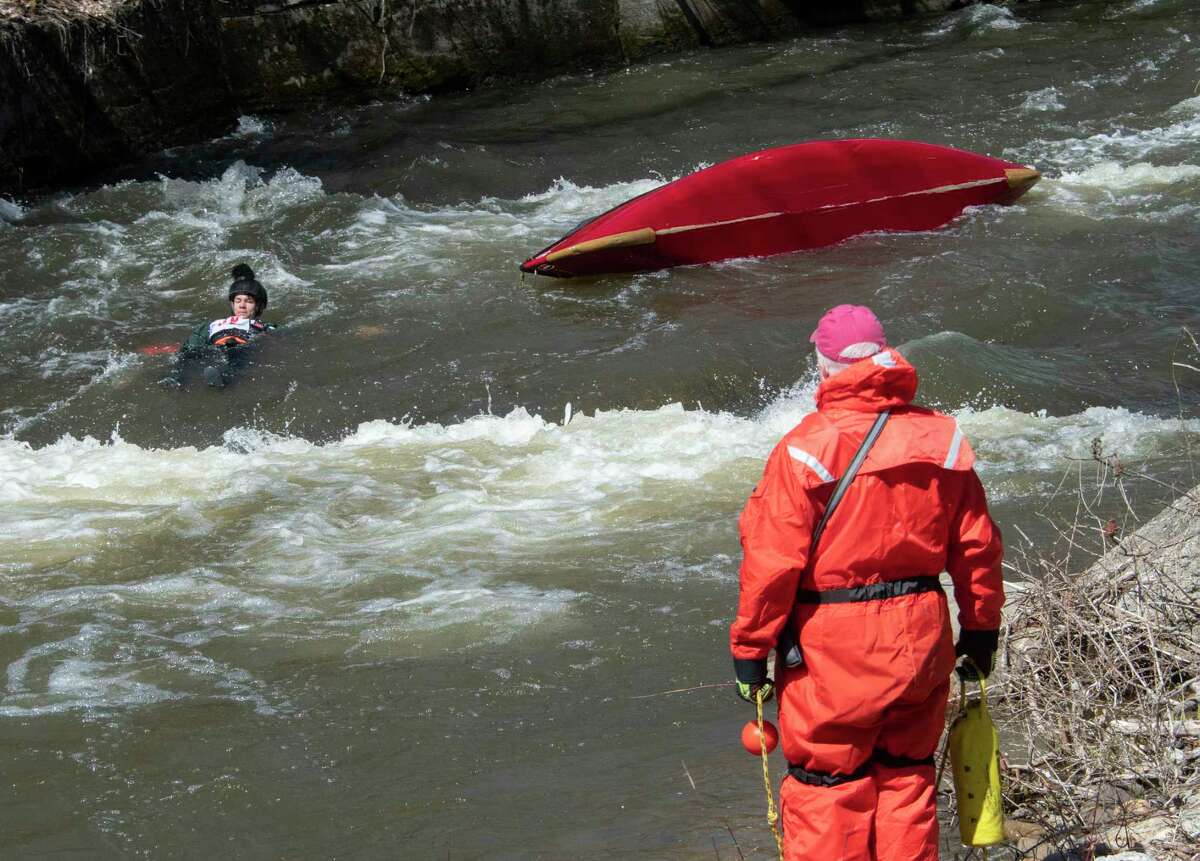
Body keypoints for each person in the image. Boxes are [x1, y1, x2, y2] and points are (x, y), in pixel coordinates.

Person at [729, 304, 1004, 861]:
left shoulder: (803, 449)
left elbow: (770, 565)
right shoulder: (943, 440)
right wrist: (981, 632)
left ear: (823, 368)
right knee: (907, 779)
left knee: (826, 790)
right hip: (921, 642)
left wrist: (750, 653)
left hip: (834, 653)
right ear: (885, 358)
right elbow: (977, 546)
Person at [173, 264, 276, 387]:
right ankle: (176, 379)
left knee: (236, 352)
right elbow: (193, 343)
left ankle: (225, 379)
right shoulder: (212, 324)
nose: (242, 305)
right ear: (232, 304)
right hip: (214, 348)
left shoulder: (263, 326)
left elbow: (275, 340)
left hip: (239, 349)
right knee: (187, 355)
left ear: (258, 306)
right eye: (238, 301)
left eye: (249, 301)